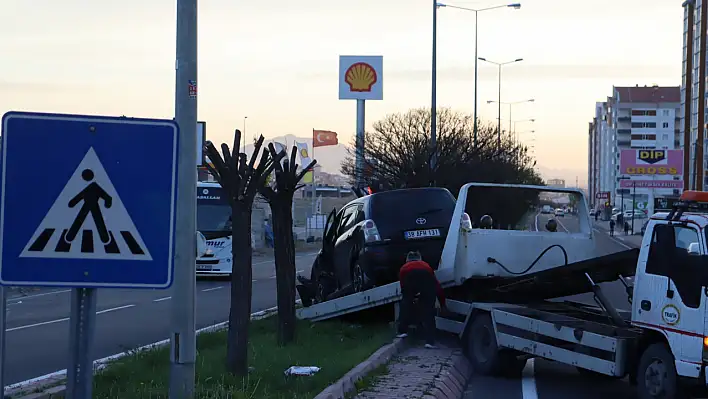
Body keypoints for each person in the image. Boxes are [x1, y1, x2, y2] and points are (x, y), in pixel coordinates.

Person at [396, 251, 447, 349]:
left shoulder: (404, 268)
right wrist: (442, 304)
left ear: (407, 260)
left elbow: (403, 287)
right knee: (429, 310)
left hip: (408, 275)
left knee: (405, 303)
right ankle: (430, 342)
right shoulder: (426, 265)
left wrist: (410, 297)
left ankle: (403, 331)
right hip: (426, 275)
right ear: (420, 259)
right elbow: (437, 287)